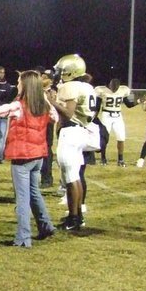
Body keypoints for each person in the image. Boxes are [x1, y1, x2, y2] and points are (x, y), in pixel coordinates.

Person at [0, 70, 59, 247]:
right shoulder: (44, 104)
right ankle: (46, 225)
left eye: (19, 82)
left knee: (23, 198)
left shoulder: (19, 106)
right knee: (34, 192)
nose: (17, 84)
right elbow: (55, 118)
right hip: (38, 155)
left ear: (25, 86)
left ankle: (23, 238)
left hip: (23, 157)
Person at [48, 54, 95, 230]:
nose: (59, 73)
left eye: (61, 70)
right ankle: (77, 215)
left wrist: (51, 101)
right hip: (82, 131)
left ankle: (73, 218)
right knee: (75, 176)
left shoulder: (70, 86)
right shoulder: (87, 86)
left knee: (70, 177)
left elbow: (68, 113)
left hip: (71, 131)